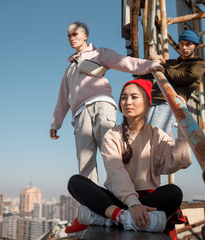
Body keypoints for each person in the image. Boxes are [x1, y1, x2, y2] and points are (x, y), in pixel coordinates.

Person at [66, 79, 192, 234]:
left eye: (134, 97)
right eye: (124, 97)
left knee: (174, 192)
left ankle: (110, 217)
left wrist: (182, 125)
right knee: (76, 182)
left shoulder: (157, 134)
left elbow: (179, 162)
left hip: (147, 200)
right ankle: (125, 217)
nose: (127, 102)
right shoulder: (112, 135)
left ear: (146, 103)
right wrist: (133, 204)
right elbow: (116, 172)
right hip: (118, 198)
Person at [50, 21, 164, 184]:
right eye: (69, 36)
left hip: (101, 104)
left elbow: (125, 62)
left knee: (111, 153)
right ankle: (92, 202)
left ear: (85, 36)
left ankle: (122, 192)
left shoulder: (98, 53)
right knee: (85, 161)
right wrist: (55, 124)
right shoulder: (69, 69)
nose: (71, 38)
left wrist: (151, 65)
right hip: (80, 113)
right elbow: (63, 98)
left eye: (75, 34)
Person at [147, 29, 205, 135]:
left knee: (155, 137)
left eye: (188, 44)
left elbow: (185, 77)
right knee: (141, 136)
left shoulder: (198, 64)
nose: (184, 47)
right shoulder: (172, 63)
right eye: (182, 43)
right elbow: (143, 72)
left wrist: (161, 66)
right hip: (151, 100)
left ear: (196, 46)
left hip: (168, 102)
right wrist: (150, 59)